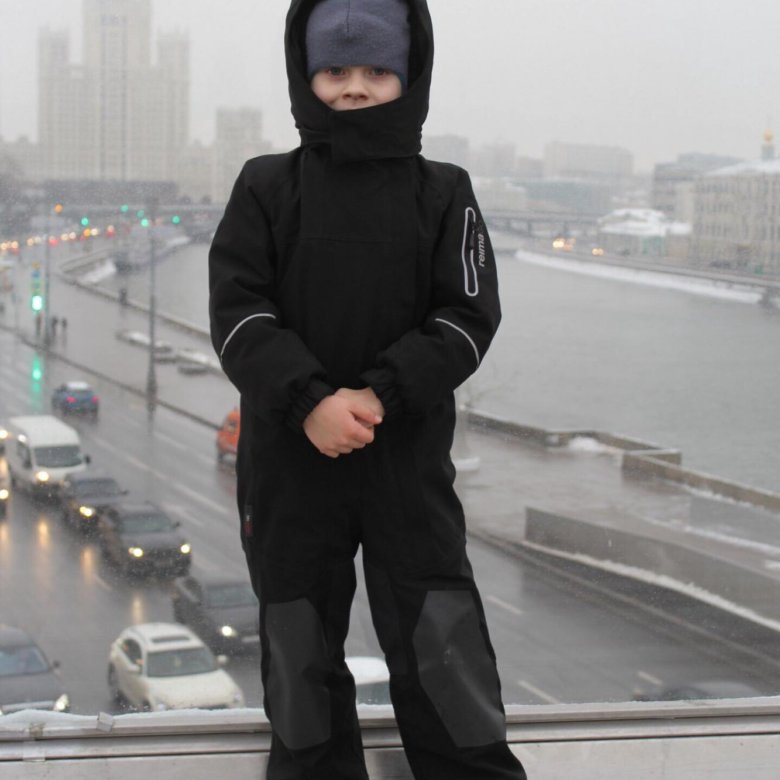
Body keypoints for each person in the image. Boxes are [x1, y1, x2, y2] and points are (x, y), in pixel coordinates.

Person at [208, 1, 527, 778]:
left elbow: (467, 316)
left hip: (405, 464)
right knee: (299, 649)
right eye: (335, 69)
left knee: (441, 639)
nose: (355, 86)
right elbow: (239, 314)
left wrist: (379, 396)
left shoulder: (444, 191)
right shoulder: (265, 186)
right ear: (305, 74)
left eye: (377, 70)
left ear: (409, 76)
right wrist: (310, 403)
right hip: (290, 464)